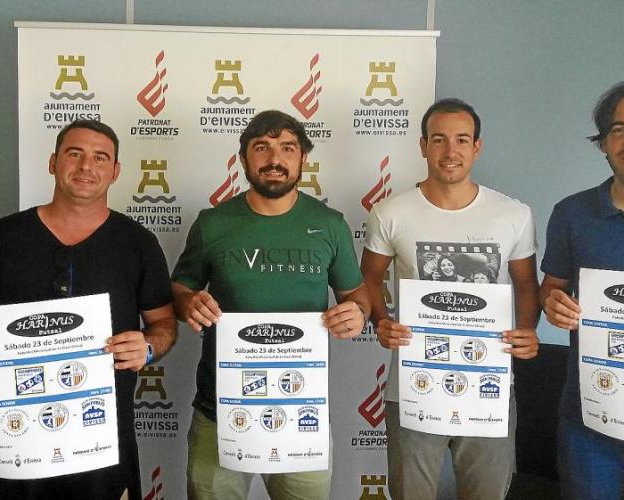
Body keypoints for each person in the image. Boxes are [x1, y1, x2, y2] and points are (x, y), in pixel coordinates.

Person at [0, 119, 177, 500]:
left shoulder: (138, 243)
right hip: (17, 432)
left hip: (102, 436)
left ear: (115, 171)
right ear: (53, 162)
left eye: (100, 157)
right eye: (75, 153)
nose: (87, 166)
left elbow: (164, 321)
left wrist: (148, 347)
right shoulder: (2, 237)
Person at [171, 110, 370, 500]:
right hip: (220, 411)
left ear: (303, 159)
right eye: (261, 147)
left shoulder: (330, 224)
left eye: (287, 148)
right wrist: (188, 301)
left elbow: (357, 294)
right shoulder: (212, 223)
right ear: (243, 159)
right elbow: (180, 289)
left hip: (302, 412)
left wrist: (358, 313)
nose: (274, 159)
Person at [360, 98, 540, 500]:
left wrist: (528, 329)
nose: (450, 151)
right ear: (423, 146)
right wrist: (380, 320)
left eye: (461, 139)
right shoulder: (391, 212)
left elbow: (527, 284)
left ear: (477, 147)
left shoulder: (513, 214)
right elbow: (369, 277)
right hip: (414, 383)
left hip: (488, 383)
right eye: (439, 139)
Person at [540, 82, 624, 500]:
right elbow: (550, 290)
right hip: (592, 420)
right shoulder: (572, 214)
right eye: (619, 129)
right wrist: (553, 305)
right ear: (603, 143)